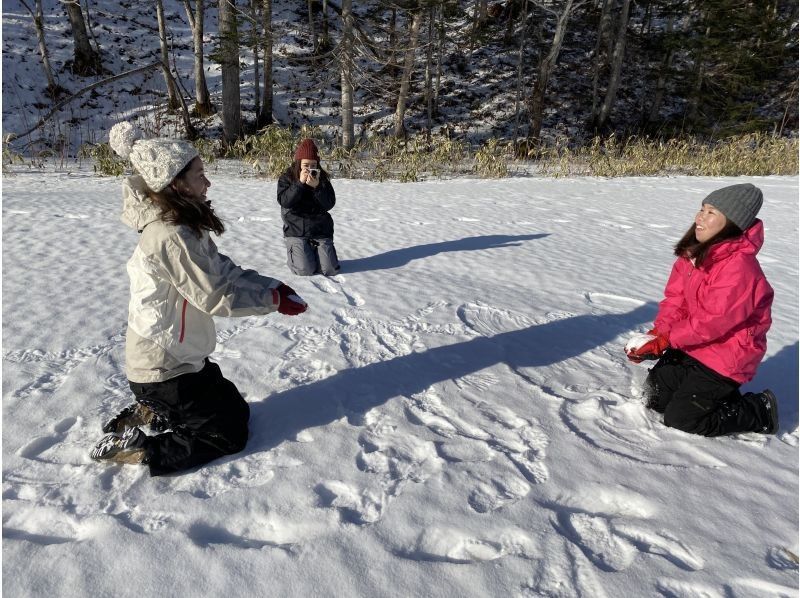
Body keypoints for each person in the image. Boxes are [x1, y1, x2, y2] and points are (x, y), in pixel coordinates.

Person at [90, 122, 309, 475]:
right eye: (200, 175)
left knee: (237, 409)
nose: (207, 183)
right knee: (227, 433)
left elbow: (221, 270)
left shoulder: (181, 225)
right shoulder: (170, 236)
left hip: (182, 358)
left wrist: (273, 288)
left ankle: (153, 409)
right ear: (176, 183)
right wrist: (271, 301)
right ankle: (139, 448)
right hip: (162, 367)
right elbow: (214, 294)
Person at [625, 183, 778, 437]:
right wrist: (657, 335)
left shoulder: (740, 269)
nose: (700, 217)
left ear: (732, 223)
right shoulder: (693, 255)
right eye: (702, 209)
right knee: (653, 398)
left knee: (682, 418)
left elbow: (713, 321)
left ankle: (758, 410)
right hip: (692, 345)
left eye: (711, 213)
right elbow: (676, 300)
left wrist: (667, 340)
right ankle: (710, 394)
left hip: (726, 356)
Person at [277, 138, 340, 276]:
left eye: (313, 164)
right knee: (305, 270)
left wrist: (317, 188)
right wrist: (299, 184)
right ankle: (296, 254)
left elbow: (329, 204)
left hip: (320, 230)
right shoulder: (287, 178)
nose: (309, 169)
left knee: (329, 270)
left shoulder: (321, 178)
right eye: (306, 165)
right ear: (298, 163)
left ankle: (315, 253)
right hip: (297, 230)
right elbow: (285, 201)